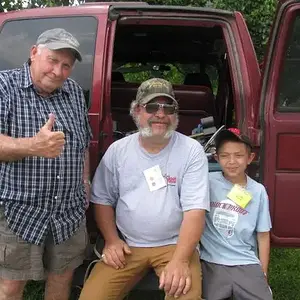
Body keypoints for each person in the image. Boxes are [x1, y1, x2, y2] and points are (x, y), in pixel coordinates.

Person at [79, 78, 210, 300]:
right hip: (128, 245)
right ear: (137, 111)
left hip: (175, 246)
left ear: (175, 114)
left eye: (168, 107)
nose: (160, 114)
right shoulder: (118, 150)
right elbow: (102, 199)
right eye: (151, 107)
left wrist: (180, 260)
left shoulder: (192, 150)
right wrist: (111, 240)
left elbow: (195, 211)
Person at [0, 28, 92, 300]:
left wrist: (85, 182)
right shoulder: (4, 86)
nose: (58, 71)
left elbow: (83, 142)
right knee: (11, 286)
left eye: (66, 66)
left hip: (69, 212)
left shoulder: (74, 92)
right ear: (33, 54)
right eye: (52, 60)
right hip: (20, 211)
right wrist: (33, 146)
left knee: (62, 279)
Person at [200, 128, 273, 300]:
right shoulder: (207, 182)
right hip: (212, 260)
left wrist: (262, 271)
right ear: (216, 158)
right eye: (224, 156)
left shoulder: (258, 191)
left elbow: (263, 235)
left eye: (238, 155)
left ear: (250, 158)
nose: (231, 161)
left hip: (245, 260)